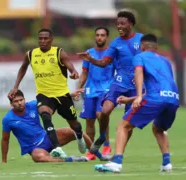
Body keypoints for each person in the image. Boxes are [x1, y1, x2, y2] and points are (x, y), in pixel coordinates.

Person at [94, 34, 179, 173]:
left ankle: (116, 162)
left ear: (142, 47)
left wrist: (139, 96)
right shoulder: (165, 61)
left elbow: (138, 73)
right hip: (173, 98)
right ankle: (167, 163)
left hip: (155, 98)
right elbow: (163, 86)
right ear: (156, 47)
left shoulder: (139, 57)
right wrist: (129, 100)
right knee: (159, 129)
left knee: (123, 125)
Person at [8, 28, 86, 159]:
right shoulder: (31, 54)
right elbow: (23, 68)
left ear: (51, 39)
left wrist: (73, 72)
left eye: (45, 38)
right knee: (45, 115)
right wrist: (16, 86)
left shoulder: (58, 52)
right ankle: (57, 148)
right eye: (40, 38)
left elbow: (69, 65)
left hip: (62, 95)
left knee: (74, 124)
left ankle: (79, 136)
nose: (42, 41)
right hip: (44, 95)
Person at [77, 11, 143, 153]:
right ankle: (102, 137)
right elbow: (103, 63)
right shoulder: (115, 43)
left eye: (122, 23)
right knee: (105, 111)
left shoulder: (141, 40)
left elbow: (150, 59)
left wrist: (144, 75)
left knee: (128, 122)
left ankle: (120, 152)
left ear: (130, 24)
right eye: (117, 24)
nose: (119, 26)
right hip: (119, 83)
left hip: (136, 86)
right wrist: (91, 60)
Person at [2, 90, 111, 163]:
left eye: (21, 100)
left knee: (75, 131)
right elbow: (5, 140)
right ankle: (71, 159)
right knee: (38, 158)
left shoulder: (32, 105)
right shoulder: (8, 119)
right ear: (11, 104)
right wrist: (4, 160)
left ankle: (99, 155)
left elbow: (52, 98)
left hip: (48, 137)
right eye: (16, 101)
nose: (20, 103)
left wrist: (70, 95)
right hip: (34, 148)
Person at [77, 27, 115, 160]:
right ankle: (91, 151)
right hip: (90, 90)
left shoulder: (112, 53)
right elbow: (84, 72)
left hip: (106, 89)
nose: (99, 37)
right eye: (97, 35)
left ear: (107, 37)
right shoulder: (89, 53)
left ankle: (106, 145)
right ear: (95, 37)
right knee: (89, 121)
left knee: (101, 115)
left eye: (102, 35)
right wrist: (79, 87)